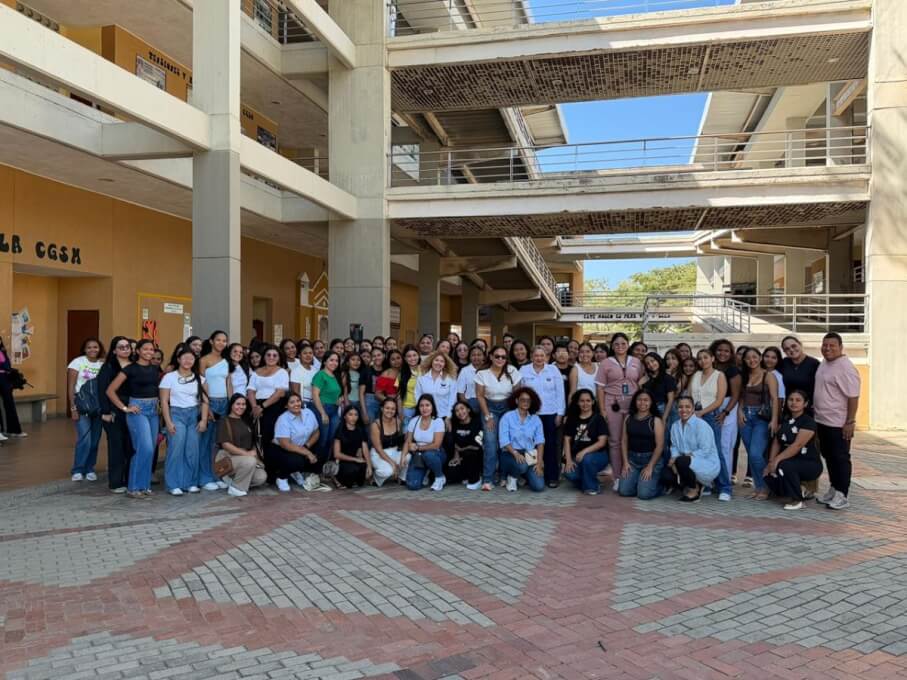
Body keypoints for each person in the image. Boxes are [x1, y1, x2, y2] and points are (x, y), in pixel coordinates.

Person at [105, 339, 160, 500]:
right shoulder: (130, 369)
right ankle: (133, 487)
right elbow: (110, 390)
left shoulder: (154, 369)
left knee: (151, 450)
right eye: (146, 349)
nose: (149, 352)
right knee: (145, 448)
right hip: (138, 410)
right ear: (138, 351)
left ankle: (145, 486)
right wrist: (124, 408)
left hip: (153, 411)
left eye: (152, 349)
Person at [814, 332, 861, 510]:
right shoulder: (825, 363)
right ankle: (834, 489)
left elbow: (853, 397)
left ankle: (842, 494)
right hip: (822, 421)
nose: (827, 348)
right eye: (825, 345)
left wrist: (850, 422)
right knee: (829, 457)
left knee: (840, 458)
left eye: (832, 345)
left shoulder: (845, 367)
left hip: (838, 423)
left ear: (840, 347)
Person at [594, 332, 642, 491]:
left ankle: (629, 474)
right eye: (616, 344)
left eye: (623, 343)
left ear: (628, 345)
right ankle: (617, 476)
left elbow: (642, 380)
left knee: (631, 439)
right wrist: (602, 410)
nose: (620, 347)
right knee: (615, 441)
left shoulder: (636, 362)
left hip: (632, 404)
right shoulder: (606, 363)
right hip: (612, 403)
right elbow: (600, 387)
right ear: (612, 346)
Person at [160, 346, 209, 496]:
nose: (188, 360)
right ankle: (173, 484)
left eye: (191, 358)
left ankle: (190, 483)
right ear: (179, 359)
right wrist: (168, 422)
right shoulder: (169, 377)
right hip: (176, 414)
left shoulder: (200, 379)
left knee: (192, 450)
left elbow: (205, 401)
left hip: (193, 415)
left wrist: (204, 420)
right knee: (176, 449)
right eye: (185, 357)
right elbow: (164, 401)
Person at [764, 390, 823, 510]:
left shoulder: (808, 422)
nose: (793, 403)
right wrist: (770, 462)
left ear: (805, 404)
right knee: (768, 475)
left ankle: (797, 500)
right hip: (790, 461)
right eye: (791, 400)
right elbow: (777, 441)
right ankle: (794, 490)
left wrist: (776, 461)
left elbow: (797, 445)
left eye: (798, 400)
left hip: (809, 464)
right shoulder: (785, 420)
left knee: (783, 466)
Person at [475, 345, 521, 491]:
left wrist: (514, 416)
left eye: (503, 357)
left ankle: (504, 476)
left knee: (506, 443)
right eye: (497, 356)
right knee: (490, 442)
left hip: (508, 407)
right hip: (490, 407)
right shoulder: (482, 373)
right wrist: (488, 416)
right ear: (491, 357)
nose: (500, 359)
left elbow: (517, 395)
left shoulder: (513, 371)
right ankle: (488, 478)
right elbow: (480, 396)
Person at [520, 346, 566, 488]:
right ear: (532, 356)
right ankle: (531, 475)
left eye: (542, 355)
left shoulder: (553, 370)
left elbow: (560, 393)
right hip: (531, 414)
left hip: (550, 413)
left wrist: (560, 413)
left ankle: (552, 476)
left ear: (546, 357)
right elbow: (521, 392)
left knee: (550, 445)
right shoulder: (524, 370)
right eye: (536, 355)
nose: (539, 358)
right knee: (531, 444)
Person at [737, 347, 779, 501]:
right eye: (748, 358)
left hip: (761, 418)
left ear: (760, 358)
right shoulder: (744, 376)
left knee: (756, 454)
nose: (751, 360)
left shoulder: (768, 376)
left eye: (754, 357)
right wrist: (740, 411)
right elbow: (741, 396)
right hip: (745, 417)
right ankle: (758, 487)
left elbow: (775, 399)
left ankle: (766, 487)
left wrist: (774, 419)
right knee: (751, 454)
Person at [667, 396, 721, 502]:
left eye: (687, 407)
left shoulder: (701, 425)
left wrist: (680, 458)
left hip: (706, 463)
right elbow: (674, 446)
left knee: (682, 461)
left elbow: (705, 450)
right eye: (680, 407)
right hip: (685, 461)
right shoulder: (675, 426)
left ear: (692, 409)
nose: (684, 410)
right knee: (666, 474)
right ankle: (692, 484)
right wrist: (673, 458)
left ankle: (694, 490)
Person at [98, 336, 134, 493]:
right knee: (116, 447)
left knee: (130, 446)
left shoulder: (134, 365)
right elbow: (102, 390)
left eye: (127, 346)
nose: (125, 349)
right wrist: (105, 412)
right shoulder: (108, 367)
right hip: (113, 411)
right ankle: (115, 482)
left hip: (132, 410)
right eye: (121, 347)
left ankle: (128, 479)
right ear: (114, 350)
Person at [67, 338, 105, 481]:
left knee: (95, 440)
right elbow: (71, 387)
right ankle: (78, 469)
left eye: (95, 347)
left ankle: (90, 468)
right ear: (84, 349)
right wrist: (73, 408)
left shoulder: (103, 364)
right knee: (85, 439)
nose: (92, 350)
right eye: (89, 347)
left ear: (99, 349)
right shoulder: (77, 362)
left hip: (98, 406)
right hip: (81, 405)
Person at [214, 394, 267, 498]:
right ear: (231, 405)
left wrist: (256, 458)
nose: (241, 407)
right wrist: (247, 455)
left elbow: (252, 444)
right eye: (238, 404)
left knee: (261, 477)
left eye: (243, 404)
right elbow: (226, 445)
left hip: (243, 459)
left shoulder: (246, 421)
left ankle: (234, 481)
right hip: (226, 458)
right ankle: (236, 488)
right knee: (249, 461)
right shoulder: (224, 421)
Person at [268, 393, 322, 492]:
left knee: (318, 455)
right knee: (296, 460)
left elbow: (316, 431)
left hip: (301, 447)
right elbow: (285, 444)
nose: (296, 404)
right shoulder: (283, 419)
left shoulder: (308, 413)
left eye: (298, 401)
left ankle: (294, 471)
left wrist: (307, 446)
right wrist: (307, 452)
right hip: (280, 449)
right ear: (286, 405)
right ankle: (282, 478)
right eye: (292, 402)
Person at [689, 349, 727, 485]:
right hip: (694, 417)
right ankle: (705, 483)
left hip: (711, 416)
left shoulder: (719, 375)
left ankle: (724, 486)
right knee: (698, 450)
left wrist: (702, 412)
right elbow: (689, 396)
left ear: (712, 359)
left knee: (715, 450)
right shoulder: (696, 375)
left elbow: (719, 400)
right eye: (699, 358)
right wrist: (693, 413)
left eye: (705, 357)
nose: (702, 361)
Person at [198, 330, 230, 491]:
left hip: (224, 402)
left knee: (219, 442)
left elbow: (228, 383)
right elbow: (200, 385)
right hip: (210, 403)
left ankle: (216, 474)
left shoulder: (226, 360)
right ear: (211, 341)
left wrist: (231, 403)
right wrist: (207, 406)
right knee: (206, 442)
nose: (221, 343)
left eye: (224, 341)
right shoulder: (203, 360)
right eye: (218, 340)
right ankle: (204, 477)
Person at [498, 386, 546, 493]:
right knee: (522, 465)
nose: (526, 402)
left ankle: (522, 476)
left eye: (528, 400)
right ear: (516, 401)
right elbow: (504, 440)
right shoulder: (507, 417)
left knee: (539, 487)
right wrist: (515, 453)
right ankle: (511, 476)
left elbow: (540, 442)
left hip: (529, 455)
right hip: (510, 453)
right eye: (523, 400)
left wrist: (539, 463)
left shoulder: (536, 419)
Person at [619, 390, 665, 500]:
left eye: (646, 400)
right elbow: (624, 441)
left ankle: (662, 487)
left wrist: (650, 466)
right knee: (624, 491)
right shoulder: (628, 418)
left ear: (651, 403)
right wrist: (625, 463)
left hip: (650, 460)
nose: (642, 403)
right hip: (633, 461)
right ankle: (641, 483)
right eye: (639, 400)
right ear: (635, 401)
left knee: (644, 495)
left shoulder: (655, 420)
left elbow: (660, 446)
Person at [562, 388, 609, 495]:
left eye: (588, 401)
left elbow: (602, 442)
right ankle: (592, 481)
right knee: (570, 474)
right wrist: (568, 460)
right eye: (582, 401)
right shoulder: (572, 419)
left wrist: (584, 452)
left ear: (593, 402)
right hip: (577, 457)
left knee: (587, 459)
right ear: (578, 403)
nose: (585, 404)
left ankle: (592, 488)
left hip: (598, 456)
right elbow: (566, 439)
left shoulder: (598, 419)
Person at [711, 339, 741, 500]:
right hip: (710, 407)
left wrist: (725, 412)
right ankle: (711, 480)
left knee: (725, 446)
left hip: (727, 407)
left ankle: (724, 484)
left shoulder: (733, 370)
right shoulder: (710, 366)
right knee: (710, 445)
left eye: (726, 351)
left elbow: (736, 395)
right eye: (719, 350)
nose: (722, 353)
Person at [247, 345, 289, 452]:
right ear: (264, 357)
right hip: (255, 406)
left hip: (274, 406)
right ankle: (257, 462)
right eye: (268, 355)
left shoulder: (282, 372)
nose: (271, 357)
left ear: (279, 358)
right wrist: (254, 407)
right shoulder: (256, 372)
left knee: (269, 435)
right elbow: (250, 391)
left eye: (275, 355)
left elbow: (279, 393)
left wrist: (262, 407)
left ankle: (269, 465)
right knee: (255, 435)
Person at [402, 395, 447, 491]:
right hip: (418, 456)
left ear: (432, 407)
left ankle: (439, 477)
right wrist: (403, 457)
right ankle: (426, 472)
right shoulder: (414, 421)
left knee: (428, 455)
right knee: (412, 485)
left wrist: (418, 447)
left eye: (427, 405)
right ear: (418, 408)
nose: (424, 408)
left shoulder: (438, 421)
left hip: (436, 454)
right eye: (421, 406)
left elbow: (436, 445)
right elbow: (408, 442)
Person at [311, 351, 343, 458]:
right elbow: (315, 395)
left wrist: (338, 399)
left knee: (332, 438)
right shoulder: (320, 375)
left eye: (336, 361)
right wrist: (322, 413)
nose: (334, 363)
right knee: (323, 439)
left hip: (334, 410)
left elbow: (335, 393)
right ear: (325, 361)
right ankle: (316, 466)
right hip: (323, 408)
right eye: (331, 360)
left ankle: (325, 466)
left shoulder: (335, 376)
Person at [446, 402, 483, 489]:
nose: (460, 412)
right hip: (462, 456)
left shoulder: (476, 422)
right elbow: (454, 443)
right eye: (457, 411)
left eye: (462, 408)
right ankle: (465, 476)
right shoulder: (455, 424)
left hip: (476, 455)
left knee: (469, 453)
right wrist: (456, 456)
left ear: (468, 409)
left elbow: (476, 446)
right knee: (450, 475)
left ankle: (476, 480)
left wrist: (461, 450)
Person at [333, 405, 372, 488]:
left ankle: (352, 480)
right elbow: (337, 454)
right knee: (352, 470)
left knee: (363, 469)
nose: (353, 417)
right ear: (344, 416)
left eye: (356, 415)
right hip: (343, 460)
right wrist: (355, 459)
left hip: (356, 459)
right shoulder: (340, 430)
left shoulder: (361, 429)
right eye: (350, 414)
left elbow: (365, 449)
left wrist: (369, 466)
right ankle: (336, 478)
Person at [369, 398, 405, 487]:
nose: (390, 411)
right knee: (388, 471)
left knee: (408, 457)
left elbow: (401, 441)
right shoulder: (375, 425)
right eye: (387, 408)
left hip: (394, 450)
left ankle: (400, 477)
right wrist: (393, 463)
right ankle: (375, 479)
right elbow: (378, 449)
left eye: (393, 409)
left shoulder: (398, 421)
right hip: (379, 453)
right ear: (382, 409)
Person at [780, 335, 821, 408]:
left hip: (807, 409)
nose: (791, 350)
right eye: (787, 349)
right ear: (784, 352)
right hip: (789, 408)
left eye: (794, 346)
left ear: (800, 344)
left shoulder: (814, 364)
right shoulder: (784, 363)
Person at [415, 351, 458, 421]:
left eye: (442, 361)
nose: (439, 363)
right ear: (431, 361)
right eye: (436, 360)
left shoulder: (450, 378)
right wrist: (422, 411)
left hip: (443, 416)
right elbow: (417, 395)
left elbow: (453, 399)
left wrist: (449, 416)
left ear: (445, 364)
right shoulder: (422, 377)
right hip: (426, 415)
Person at [639, 352, 676, 422]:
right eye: (647, 363)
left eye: (652, 361)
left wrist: (664, 418)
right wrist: (639, 384)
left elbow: (670, 400)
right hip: (649, 410)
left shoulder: (667, 378)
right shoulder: (646, 379)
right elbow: (642, 396)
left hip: (663, 409)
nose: (651, 364)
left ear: (658, 360)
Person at [0, 335, 25, 439]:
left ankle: (14, 430)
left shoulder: (3, 352)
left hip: (5, 380)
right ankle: (1, 432)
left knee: (10, 405)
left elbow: (8, 366)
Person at [456, 344, 486, 413]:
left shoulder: (488, 369)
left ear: (483, 356)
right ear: (469, 357)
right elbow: (461, 392)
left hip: (487, 400)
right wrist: (468, 407)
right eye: (473, 355)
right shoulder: (464, 370)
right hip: (471, 401)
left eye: (479, 355)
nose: (476, 357)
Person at [360, 347, 385, 425]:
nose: (376, 358)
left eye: (379, 355)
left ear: (383, 356)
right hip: (369, 402)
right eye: (374, 356)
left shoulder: (387, 371)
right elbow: (361, 393)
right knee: (370, 430)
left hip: (383, 402)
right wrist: (364, 412)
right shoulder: (366, 370)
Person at [398, 344, 421, 421]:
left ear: (418, 356)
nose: (412, 358)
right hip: (407, 409)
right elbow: (399, 396)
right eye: (409, 356)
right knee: (406, 432)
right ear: (405, 358)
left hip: (423, 408)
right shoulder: (401, 374)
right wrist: (400, 412)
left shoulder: (425, 371)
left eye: (414, 355)